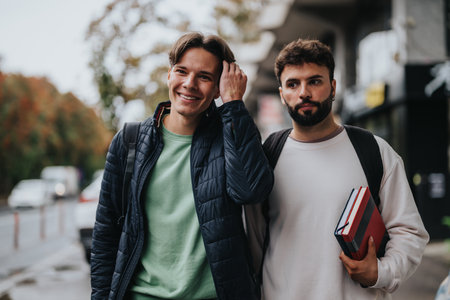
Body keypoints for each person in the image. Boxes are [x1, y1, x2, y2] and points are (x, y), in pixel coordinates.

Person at [91, 32, 274, 300]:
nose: (189, 84)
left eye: (204, 77)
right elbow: (105, 236)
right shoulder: (129, 142)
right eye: (182, 71)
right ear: (169, 75)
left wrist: (234, 104)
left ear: (217, 89)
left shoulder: (231, 136)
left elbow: (251, 191)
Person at [245, 38, 429, 299]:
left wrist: (381, 272)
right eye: (293, 84)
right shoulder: (266, 156)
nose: (304, 93)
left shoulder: (374, 151)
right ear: (282, 95)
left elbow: (409, 232)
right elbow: (253, 240)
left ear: (332, 87)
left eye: (315, 81)